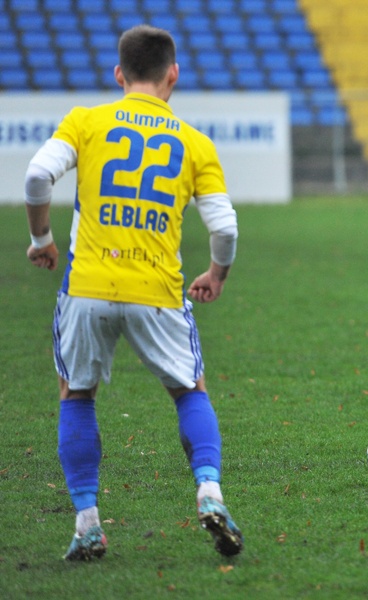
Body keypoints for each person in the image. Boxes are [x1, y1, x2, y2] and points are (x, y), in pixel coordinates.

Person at [24, 25, 243, 560]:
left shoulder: (87, 122)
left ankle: (88, 524)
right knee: (190, 390)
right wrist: (216, 274)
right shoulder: (194, 142)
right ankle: (210, 491)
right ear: (174, 74)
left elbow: (36, 177)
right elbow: (226, 229)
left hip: (88, 285)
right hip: (158, 290)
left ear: (119, 74)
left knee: (76, 395)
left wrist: (41, 240)